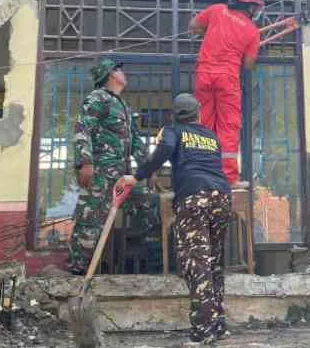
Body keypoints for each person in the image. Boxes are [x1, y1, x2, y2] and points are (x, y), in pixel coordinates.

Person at [122, 93, 231, 346]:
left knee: (197, 262)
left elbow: (165, 151)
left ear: (175, 115)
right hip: (221, 197)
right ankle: (218, 325)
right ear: (198, 112)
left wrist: (137, 176)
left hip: (194, 196)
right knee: (214, 261)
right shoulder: (210, 136)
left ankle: (203, 332)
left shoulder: (172, 131)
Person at [67, 57, 159, 275]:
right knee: (90, 222)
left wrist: (148, 168)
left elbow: (135, 140)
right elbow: (83, 128)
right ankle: (76, 272)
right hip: (100, 173)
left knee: (147, 202)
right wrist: (85, 162)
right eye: (119, 69)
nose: (123, 73)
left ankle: (144, 258)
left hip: (122, 176)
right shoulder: (97, 98)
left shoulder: (123, 106)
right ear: (110, 75)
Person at [190, 0, 264, 185]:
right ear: (250, 6)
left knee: (203, 124)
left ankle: (200, 172)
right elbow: (248, 65)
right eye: (257, 7)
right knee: (228, 127)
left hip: (204, 74)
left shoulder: (216, 10)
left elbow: (194, 26)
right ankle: (228, 178)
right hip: (227, 79)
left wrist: (210, 34)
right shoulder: (252, 31)